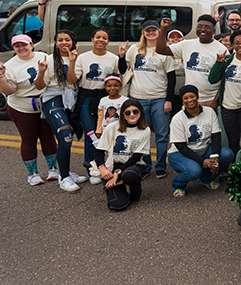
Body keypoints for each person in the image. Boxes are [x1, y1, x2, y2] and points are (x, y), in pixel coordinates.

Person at [0, 35, 59, 185]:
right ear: (13, 48)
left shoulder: (43, 56)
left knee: (48, 137)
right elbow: (9, 91)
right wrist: (1, 77)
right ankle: (32, 173)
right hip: (22, 107)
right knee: (28, 139)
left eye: (24, 45)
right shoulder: (10, 65)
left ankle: (53, 168)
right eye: (17, 46)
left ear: (32, 44)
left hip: (45, 103)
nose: (21, 48)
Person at [123, 21, 176, 178]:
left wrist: (169, 100)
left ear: (159, 32)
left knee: (161, 135)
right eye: (148, 30)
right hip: (138, 98)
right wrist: (121, 56)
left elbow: (171, 77)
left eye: (154, 30)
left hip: (159, 98)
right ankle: (146, 166)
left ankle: (160, 166)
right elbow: (124, 69)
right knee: (141, 134)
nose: (151, 33)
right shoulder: (134, 49)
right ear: (143, 32)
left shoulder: (165, 50)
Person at [34, 29, 84, 192]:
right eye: (60, 40)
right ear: (55, 43)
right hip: (52, 99)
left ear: (73, 41)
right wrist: (41, 72)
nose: (64, 43)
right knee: (65, 138)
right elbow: (40, 86)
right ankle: (64, 178)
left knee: (66, 139)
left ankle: (66, 172)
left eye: (67, 40)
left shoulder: (78, 59)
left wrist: (71, 62)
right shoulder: (48, 59)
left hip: (70, 100)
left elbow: (71, 80)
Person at [167, 85, 235, 197]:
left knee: (227, 154)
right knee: (194, 170)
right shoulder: (177, 119)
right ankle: (178, 185)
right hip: (179, 154)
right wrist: (202, 161)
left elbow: (216, 136)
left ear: (197, 97)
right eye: (186, 98)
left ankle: (206, 178)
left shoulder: (209, 112)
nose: (189, 100)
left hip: (203, 149)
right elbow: (181, 147)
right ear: (182, 101)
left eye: (192, 96)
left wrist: (214, 157)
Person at [73, 28, 118, 173]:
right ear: (92, 39)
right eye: (97, 37)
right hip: (87, 98)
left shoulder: (113, 58)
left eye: (104, 38)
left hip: (106, 99)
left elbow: (118, 80)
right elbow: (74, 78)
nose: (101, 40)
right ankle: (91, 168)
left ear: (108, 41)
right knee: (91, 133)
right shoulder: (82, 57)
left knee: (106, 133)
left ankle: (106, 165)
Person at [158, 15, 226, 109]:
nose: (203, 30)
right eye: (199, 26)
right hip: (191, 100)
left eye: (207, 27)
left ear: (214, 31)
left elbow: (224, 79)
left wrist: (215, 102)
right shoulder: (186, 45)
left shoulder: (222, 49)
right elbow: (161, 50)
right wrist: (163, 29)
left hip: (211, 100)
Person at [93, 99, 150, 211]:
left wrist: (117, 174)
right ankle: (120, 187)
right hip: (113, 165)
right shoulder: (112, 127)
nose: (132, 115)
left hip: (133, 165)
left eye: (135, 112)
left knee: (129, 175)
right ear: (123, 114)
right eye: (128, 113)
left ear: (141, 113)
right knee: (118, 205)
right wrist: (102, 168)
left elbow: (137, 156)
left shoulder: (145, 130)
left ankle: (134, 190)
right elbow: (99, 151)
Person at [95, 75, 127, 139]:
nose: (112, 88)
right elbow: (100, 116)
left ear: (120, 86)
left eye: (116, 86)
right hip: (105, 130)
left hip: (120, 130)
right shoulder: (103, 100)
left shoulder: (125, 100)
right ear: (105, 87)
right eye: (109, 86)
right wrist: (98, 130)